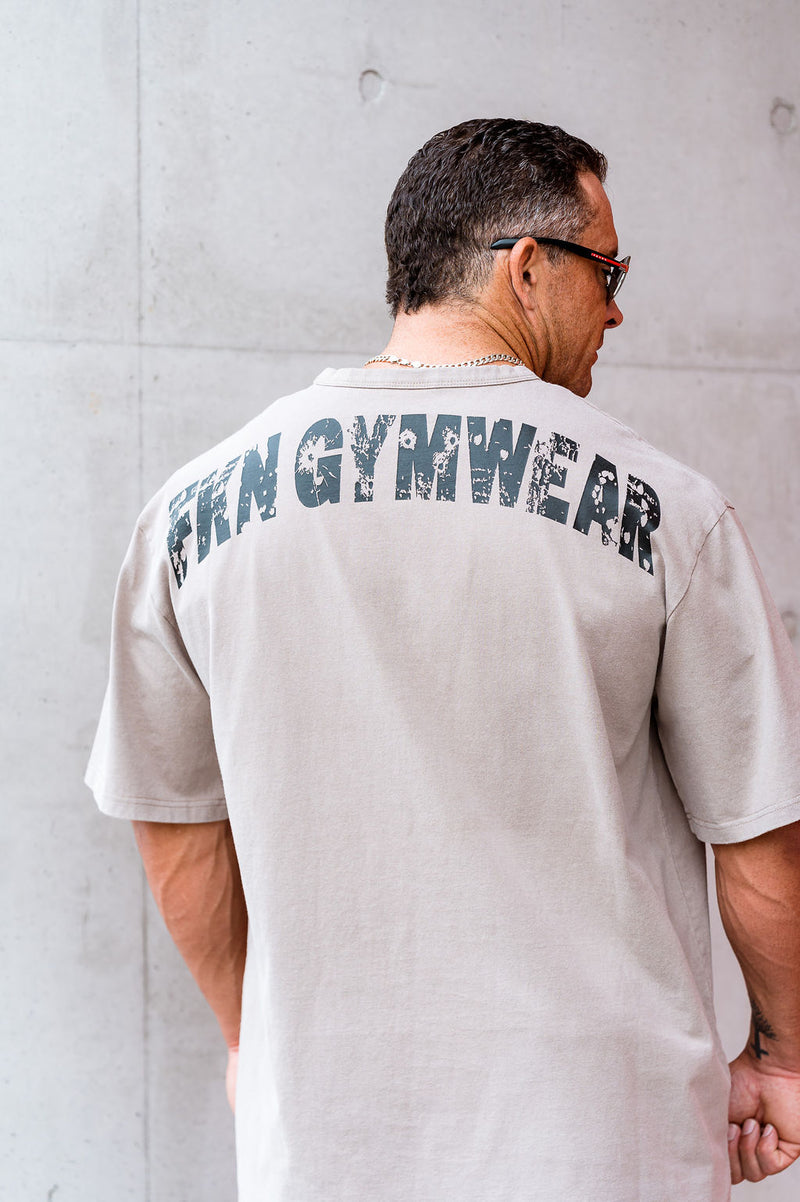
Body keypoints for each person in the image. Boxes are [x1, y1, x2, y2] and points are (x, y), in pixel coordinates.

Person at [86, 118, 800, 1200]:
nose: (616, 308)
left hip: (324, 1150)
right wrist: (782, 1058)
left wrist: (253, 1042)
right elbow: (759, 842)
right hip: (604, 1147)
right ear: (527, 266)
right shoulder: (668, 512)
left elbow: (176, 825)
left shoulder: (189, 517)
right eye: (607, 272)